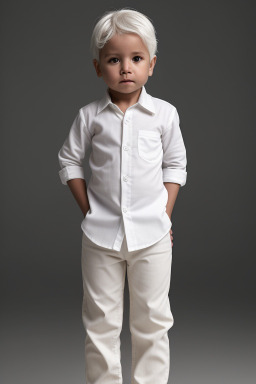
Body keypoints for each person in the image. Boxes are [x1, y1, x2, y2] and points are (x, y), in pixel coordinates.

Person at [57, 8, 187, 384]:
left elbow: (175, 166)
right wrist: (88, 210)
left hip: (153, 237)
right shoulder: (89, 117)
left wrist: (164, 216)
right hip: (100, 237)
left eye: (136, 59)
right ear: (99, 67)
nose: (125, 68)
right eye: (114, 60)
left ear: (152, 64)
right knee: (100, 324)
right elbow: (69, 161)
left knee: (153, 321)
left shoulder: (164, 115)